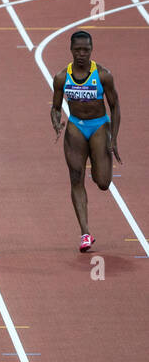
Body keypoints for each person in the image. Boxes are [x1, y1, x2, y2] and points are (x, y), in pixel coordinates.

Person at [50, 31, 121, 253]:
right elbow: (55, 106)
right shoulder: (61, 77)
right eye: (77, 50)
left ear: (91, 50)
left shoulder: (103, 75)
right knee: (75, 177)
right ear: (71, 50)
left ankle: (97, 163)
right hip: (75, 126)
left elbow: (115, 106)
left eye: (86, 50)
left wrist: (115, 138)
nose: (81, 54)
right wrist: (56, 121)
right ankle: (85, 232)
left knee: (103, 183)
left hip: (99, 125)